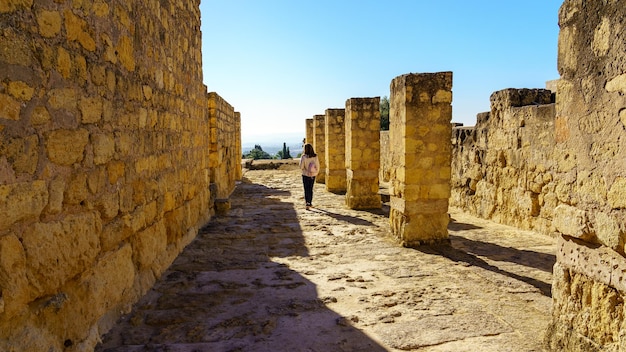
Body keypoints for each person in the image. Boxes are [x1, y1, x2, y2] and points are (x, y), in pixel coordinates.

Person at [299, 143, 320, 210]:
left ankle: (307, 203)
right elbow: (318, 166)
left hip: (305, 175)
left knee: (306, 189)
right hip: (313, 175)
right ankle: (310, 202)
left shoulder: (304, 157)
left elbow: (301, 166)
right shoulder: (315, 156)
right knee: (311, 189)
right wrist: (315, 173)